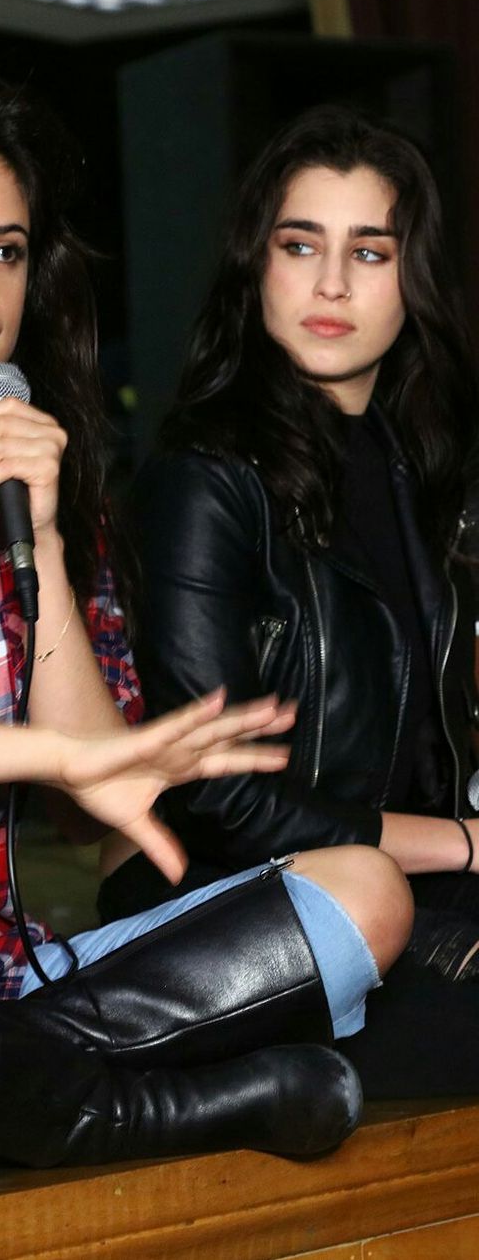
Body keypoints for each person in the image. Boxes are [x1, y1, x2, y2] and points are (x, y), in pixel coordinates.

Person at [0, 70, 412, 1198]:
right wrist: (45, 755)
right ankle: (86, 1109)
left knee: (366, 891)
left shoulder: (47, 493)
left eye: (4, 251)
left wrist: (44, 541)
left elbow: (95, 787)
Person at [101, 104, 479, 1096]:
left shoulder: (425, 475)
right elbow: (215, 795)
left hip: (423, 890)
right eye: (299, 243)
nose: (329, 283)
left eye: (369, 251)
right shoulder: (203, 480)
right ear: (254, 265)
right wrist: (464, 844)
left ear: (413, 280)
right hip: (252, 913)